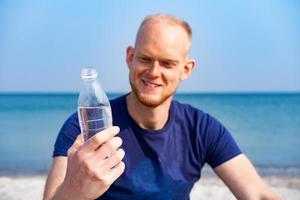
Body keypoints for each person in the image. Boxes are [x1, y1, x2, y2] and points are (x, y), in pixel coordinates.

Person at [43, 14, 281, 200]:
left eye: (167, 63)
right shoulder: (84, 127)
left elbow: (257, 194)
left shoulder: (201, 128)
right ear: (130, 57)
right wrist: (74, 189)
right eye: (145, 58)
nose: (154, 72)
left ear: (186, 69)